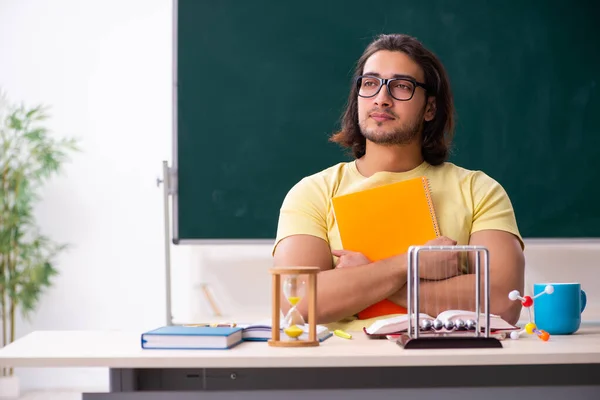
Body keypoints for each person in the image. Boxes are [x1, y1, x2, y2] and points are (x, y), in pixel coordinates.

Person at [272, 33, 525, 330]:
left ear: (430, 108)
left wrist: (369, 278)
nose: (381, 98)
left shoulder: (479, 190)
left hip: (450, 360)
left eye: (402, 86)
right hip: (347, 364)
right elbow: (299, 304)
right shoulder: (312, 193)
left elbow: (504, 303)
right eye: (370, 83)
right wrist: (412, 264)